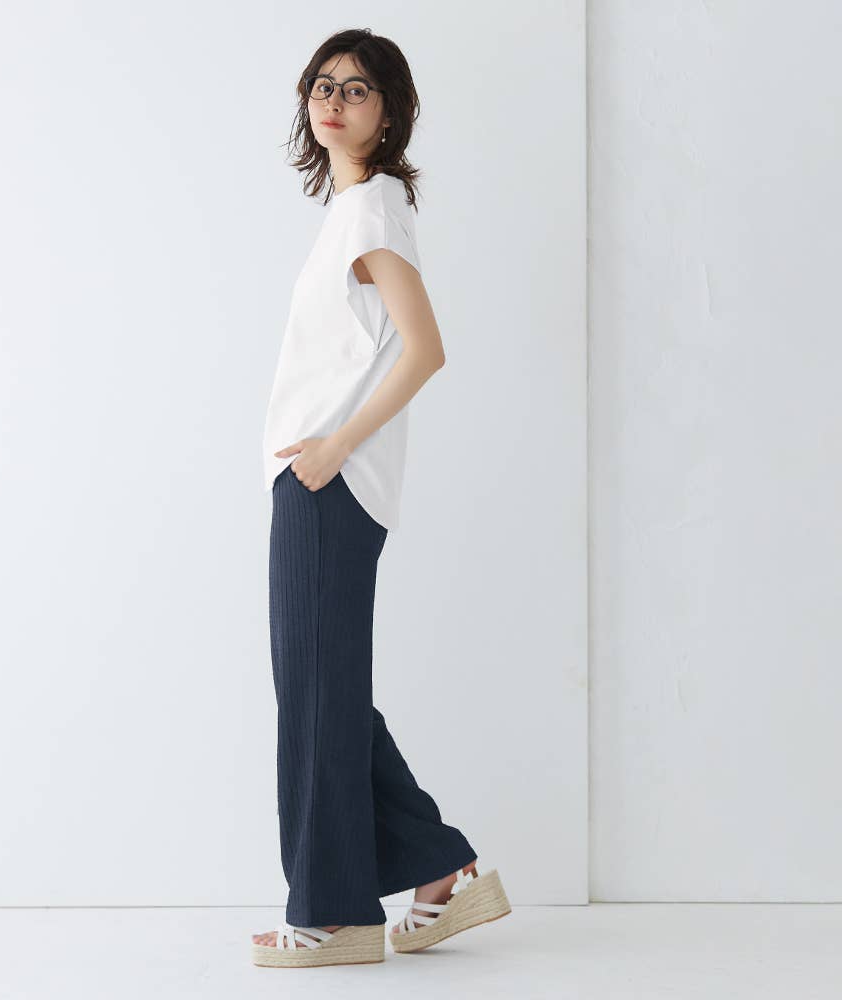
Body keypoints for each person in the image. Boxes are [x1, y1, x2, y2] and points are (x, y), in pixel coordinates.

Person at [253, 30, 511, 969]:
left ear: (389, 111)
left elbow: (425, 348)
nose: (333, 101)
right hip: (319, 480)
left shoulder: (370, 213)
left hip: (331, 481)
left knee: (317, 699)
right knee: (324, 694)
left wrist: (332, 447)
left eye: (356, 90)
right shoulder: (358, 210)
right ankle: (440, 869)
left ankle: (331, 914)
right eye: (323, 85)